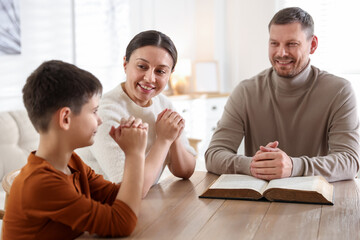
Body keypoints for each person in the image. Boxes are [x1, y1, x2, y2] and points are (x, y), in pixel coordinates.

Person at [205, 7, 359, 182]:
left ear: (313, 45)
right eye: (274, 43)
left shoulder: (339, 91)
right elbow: (213, 155)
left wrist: (294, 166)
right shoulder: (246, 91)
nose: (281, 53)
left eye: (291, 44)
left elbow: (350, 161)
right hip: (258, 203)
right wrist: (254, 165)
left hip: (316, 201)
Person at [3, 60, 148, 239]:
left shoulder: (72, 162)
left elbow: (115, 196)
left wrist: (134, 152)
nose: (100, 120)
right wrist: (135, 154)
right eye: (94, 111)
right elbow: (120, 223)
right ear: (65, 118)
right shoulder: (41, 183)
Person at [79, 30, 196, 197]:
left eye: (160, 71)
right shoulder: (104, 113)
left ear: (170, 74)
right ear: (125, 64)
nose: (149, 78)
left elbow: (186, 171)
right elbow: (133, 190)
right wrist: (164, 140)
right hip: (100, 206)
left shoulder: (163, 103)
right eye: (142, 66)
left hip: (143, 205)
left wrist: (174, 138)